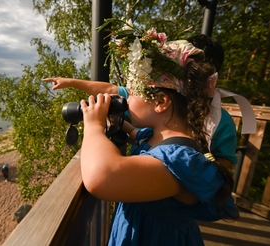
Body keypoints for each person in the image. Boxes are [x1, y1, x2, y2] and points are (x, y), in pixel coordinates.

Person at [78, 38, 238, 245]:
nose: (126, 101)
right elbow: (137, 136)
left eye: (132, 93)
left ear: (161, 102)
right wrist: (116, 123)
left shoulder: (179, 160)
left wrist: (93, 126)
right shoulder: (160, 138)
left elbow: (100, 178)